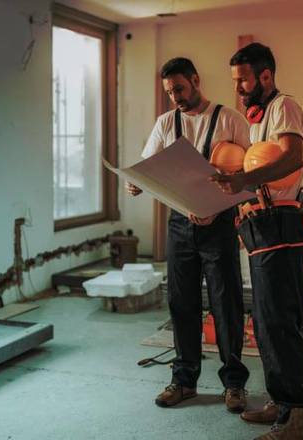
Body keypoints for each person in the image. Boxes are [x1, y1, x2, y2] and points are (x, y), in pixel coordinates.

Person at [126, 57, 250, 413]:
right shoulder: (166, 123)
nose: (175, 97)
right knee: (182, 304)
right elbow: (148, 165)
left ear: (196, 80)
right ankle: (184, 380)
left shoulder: (229, 119)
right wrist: (137, 183)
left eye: (179, 88)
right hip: (180, 225)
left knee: (226, 305)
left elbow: (252, 167)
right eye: (169, 92)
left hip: (220, 225)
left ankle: (234, 384)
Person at [210, 43, 303, 440]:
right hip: (260, 220)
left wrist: (242, 181)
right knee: (266, 322)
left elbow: (292, 159)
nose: (237, 88)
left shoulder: (284, 106)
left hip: (279, 221)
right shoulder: (259, 118)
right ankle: (280, 401)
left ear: (265, 76)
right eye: (234, 81)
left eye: (243, 80)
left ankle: (296, 418)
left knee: (280, 322)